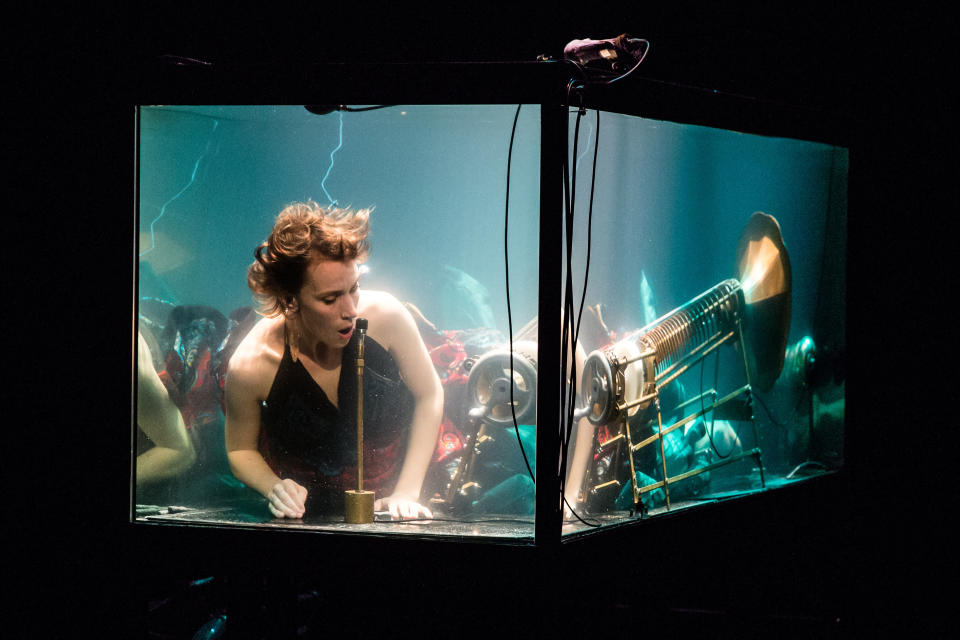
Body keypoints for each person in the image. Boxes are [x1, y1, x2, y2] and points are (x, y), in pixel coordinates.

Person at [224, 201, 443, 520]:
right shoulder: (250, 364)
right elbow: (239, 450)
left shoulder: (388, 316)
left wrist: (407, 491)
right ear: (290, 300)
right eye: (330, 299)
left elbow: (429, 394)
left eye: (354, 289)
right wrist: (274, 487)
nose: (351, 309)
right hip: (310, 518)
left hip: (410, 497)